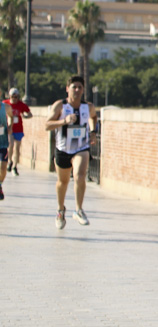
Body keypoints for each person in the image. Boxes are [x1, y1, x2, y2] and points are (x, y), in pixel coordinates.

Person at [44, 76, 97, 228]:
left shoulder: (88, 107)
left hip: (81, 147)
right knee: (63, 182)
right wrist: (64, 121)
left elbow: (94, 117)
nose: (77, 90)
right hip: (63, 149)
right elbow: (47, 125)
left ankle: (79, 210)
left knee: (80, 175)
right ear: (67, 89)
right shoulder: (60, 106)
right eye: (74, 87)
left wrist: (93, 132)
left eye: (80, 87)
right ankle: (60, 210)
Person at [5, 87, 32, 175]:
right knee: (11, 145)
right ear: (10, 96)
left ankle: (15, 166)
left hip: (19, 129)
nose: (15, 99)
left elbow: (30, 114)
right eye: (13, 97)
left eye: (16, 97)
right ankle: (9, 161)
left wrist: (25, 116)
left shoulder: (21, 105)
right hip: (9, 128)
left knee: (17, 148)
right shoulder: (5, 103)